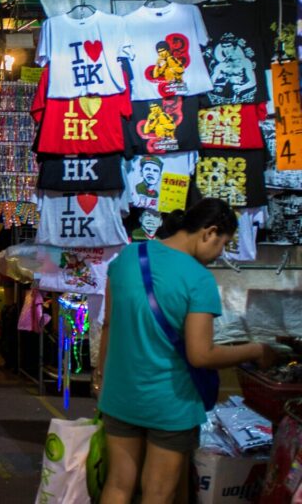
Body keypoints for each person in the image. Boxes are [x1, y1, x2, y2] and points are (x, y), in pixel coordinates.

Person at [98, 199, 278, 504]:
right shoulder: (198, 279)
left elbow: (108, 326)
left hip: (119, 394)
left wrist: (101, 379)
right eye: (223, 243)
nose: (221, 252)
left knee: (116, 485)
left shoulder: (128, 257)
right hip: (170, 402)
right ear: (208, 232)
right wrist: (255, 349)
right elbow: (201, 355)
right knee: (157, 493)